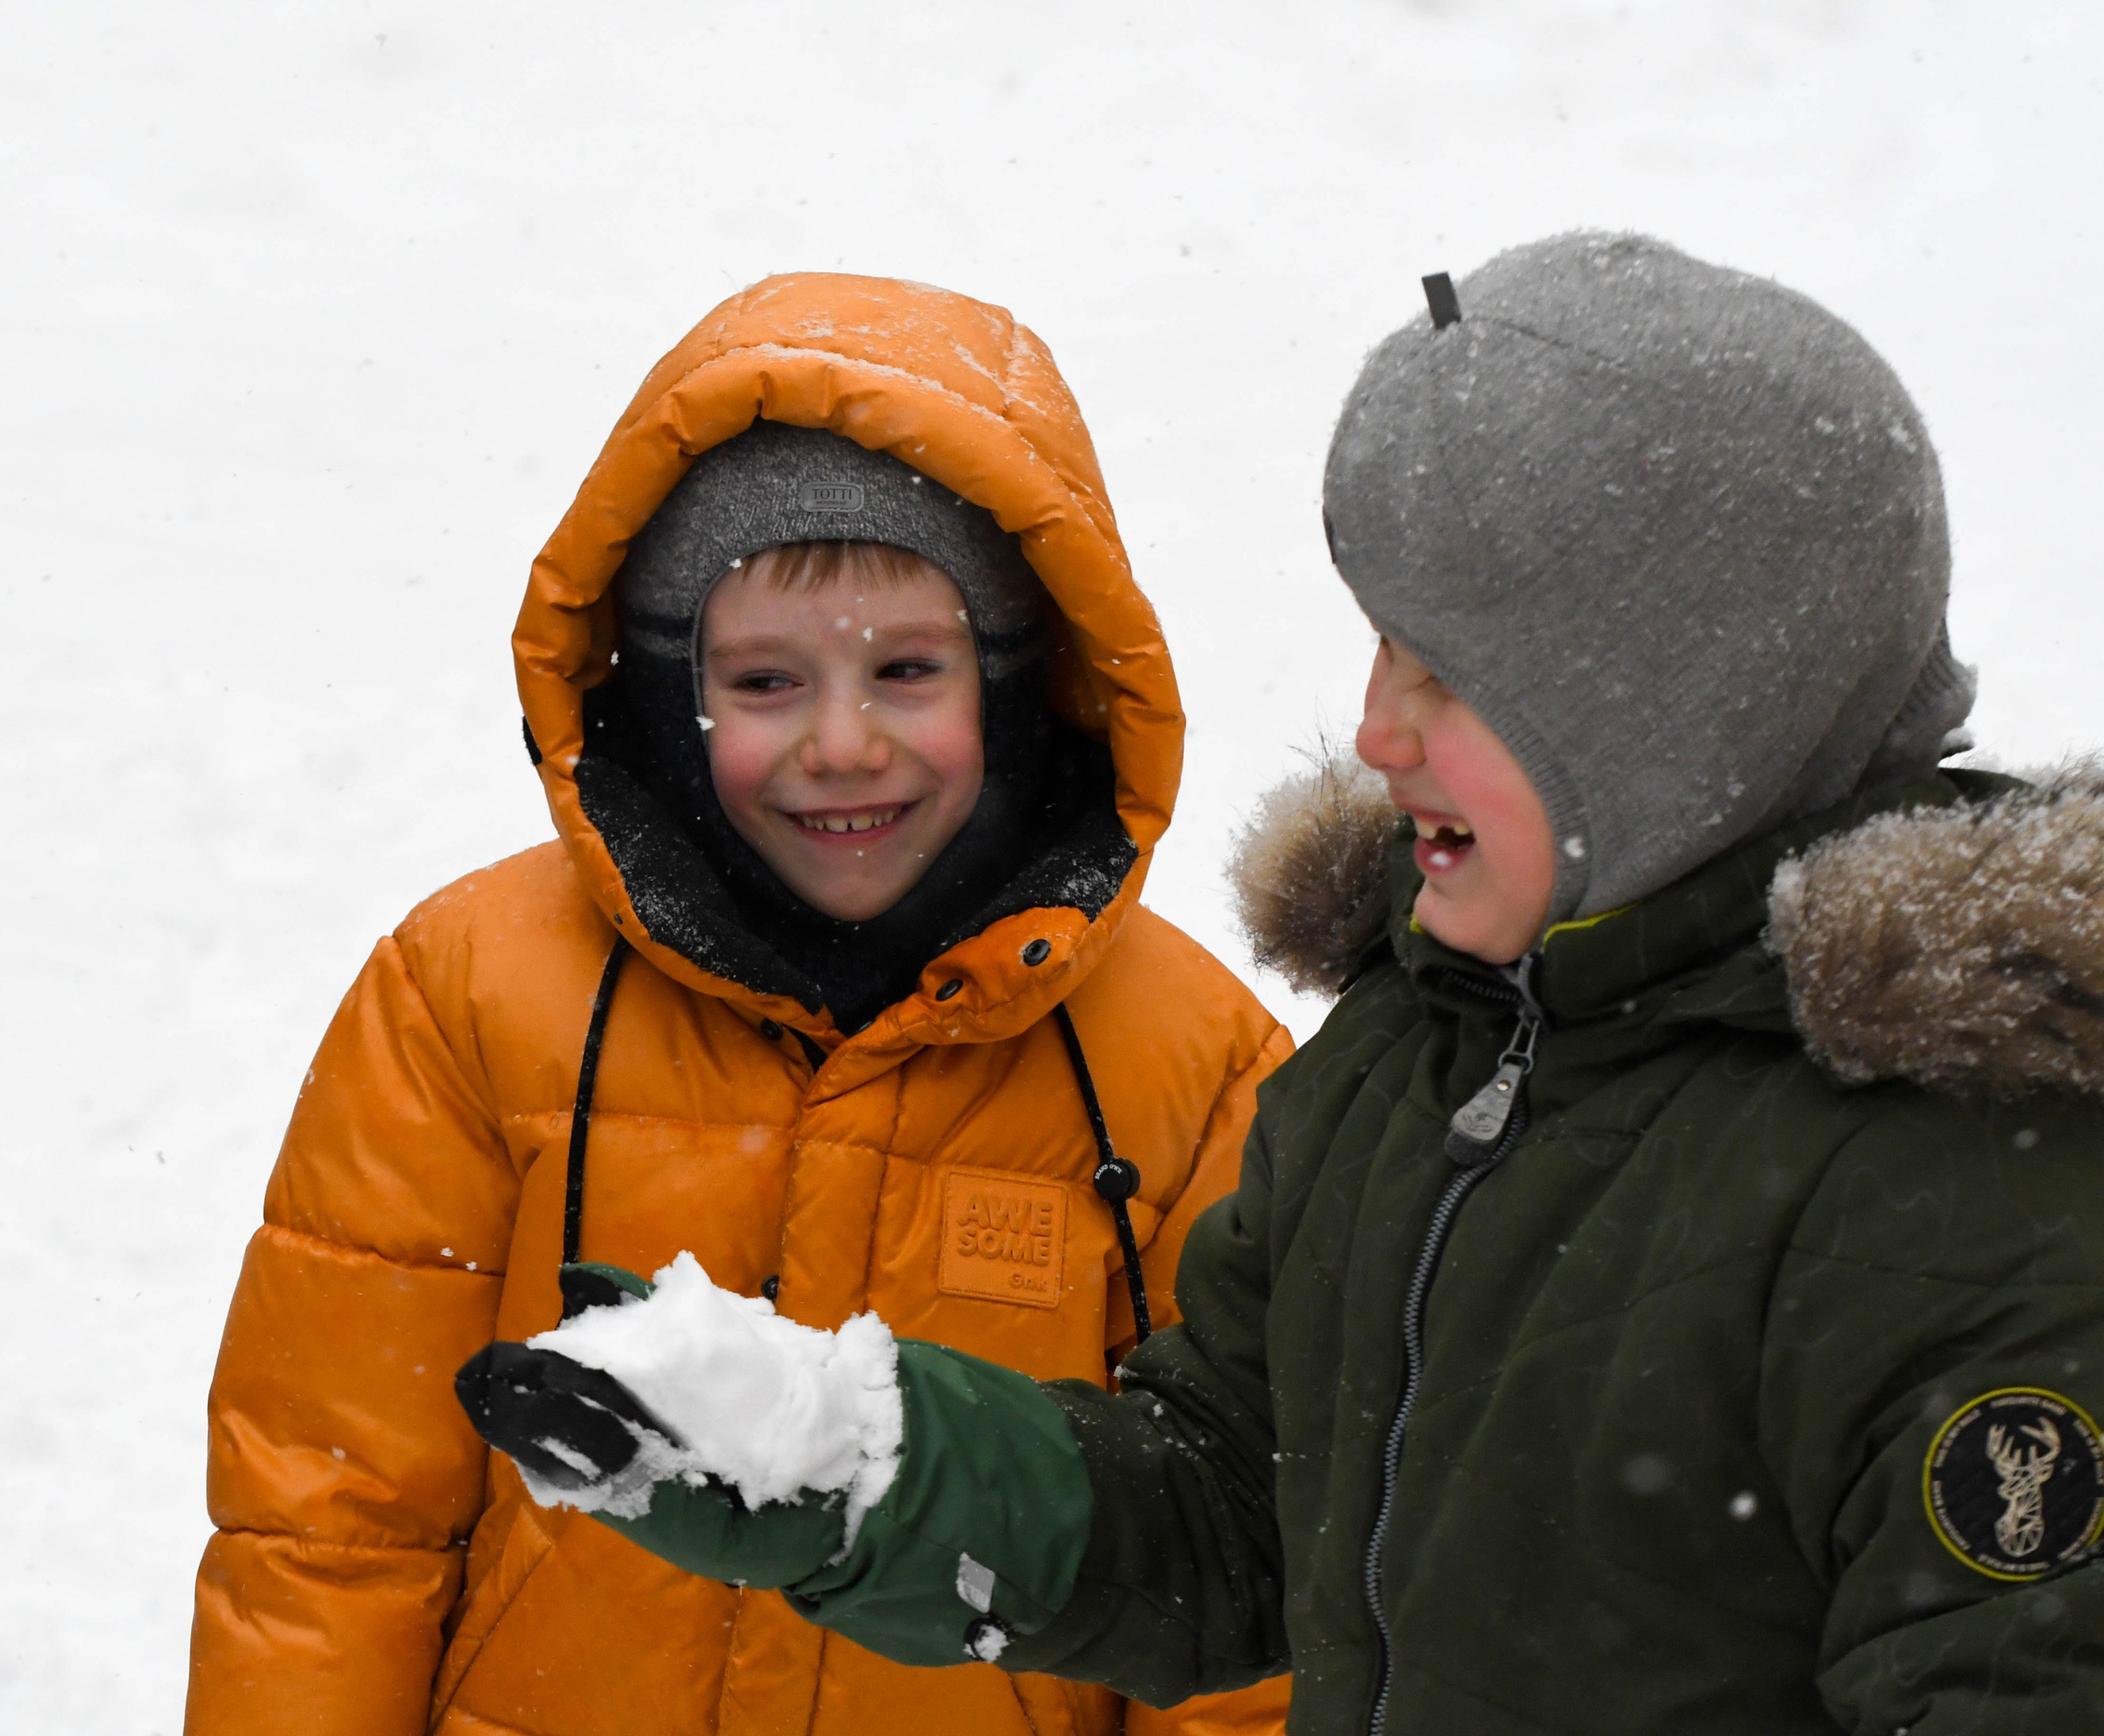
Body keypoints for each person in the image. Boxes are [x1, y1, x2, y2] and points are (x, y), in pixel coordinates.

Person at [465, 235, 2104, 1732]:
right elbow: (1224, 1504)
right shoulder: (1428, 1055)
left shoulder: (1977, 1210)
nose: (1378, 730)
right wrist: (833, 1456)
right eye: (1382, 644)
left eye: (1449, 674)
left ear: (1681, 723)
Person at [184, 271, 1296, 1736]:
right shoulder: (469, 993)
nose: (844, 745)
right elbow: (329, 1522)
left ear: (1022, 687)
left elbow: (1235, 1609)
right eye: (764, 681)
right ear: (663, 694)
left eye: (909, 670)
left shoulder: (1190, 1064)